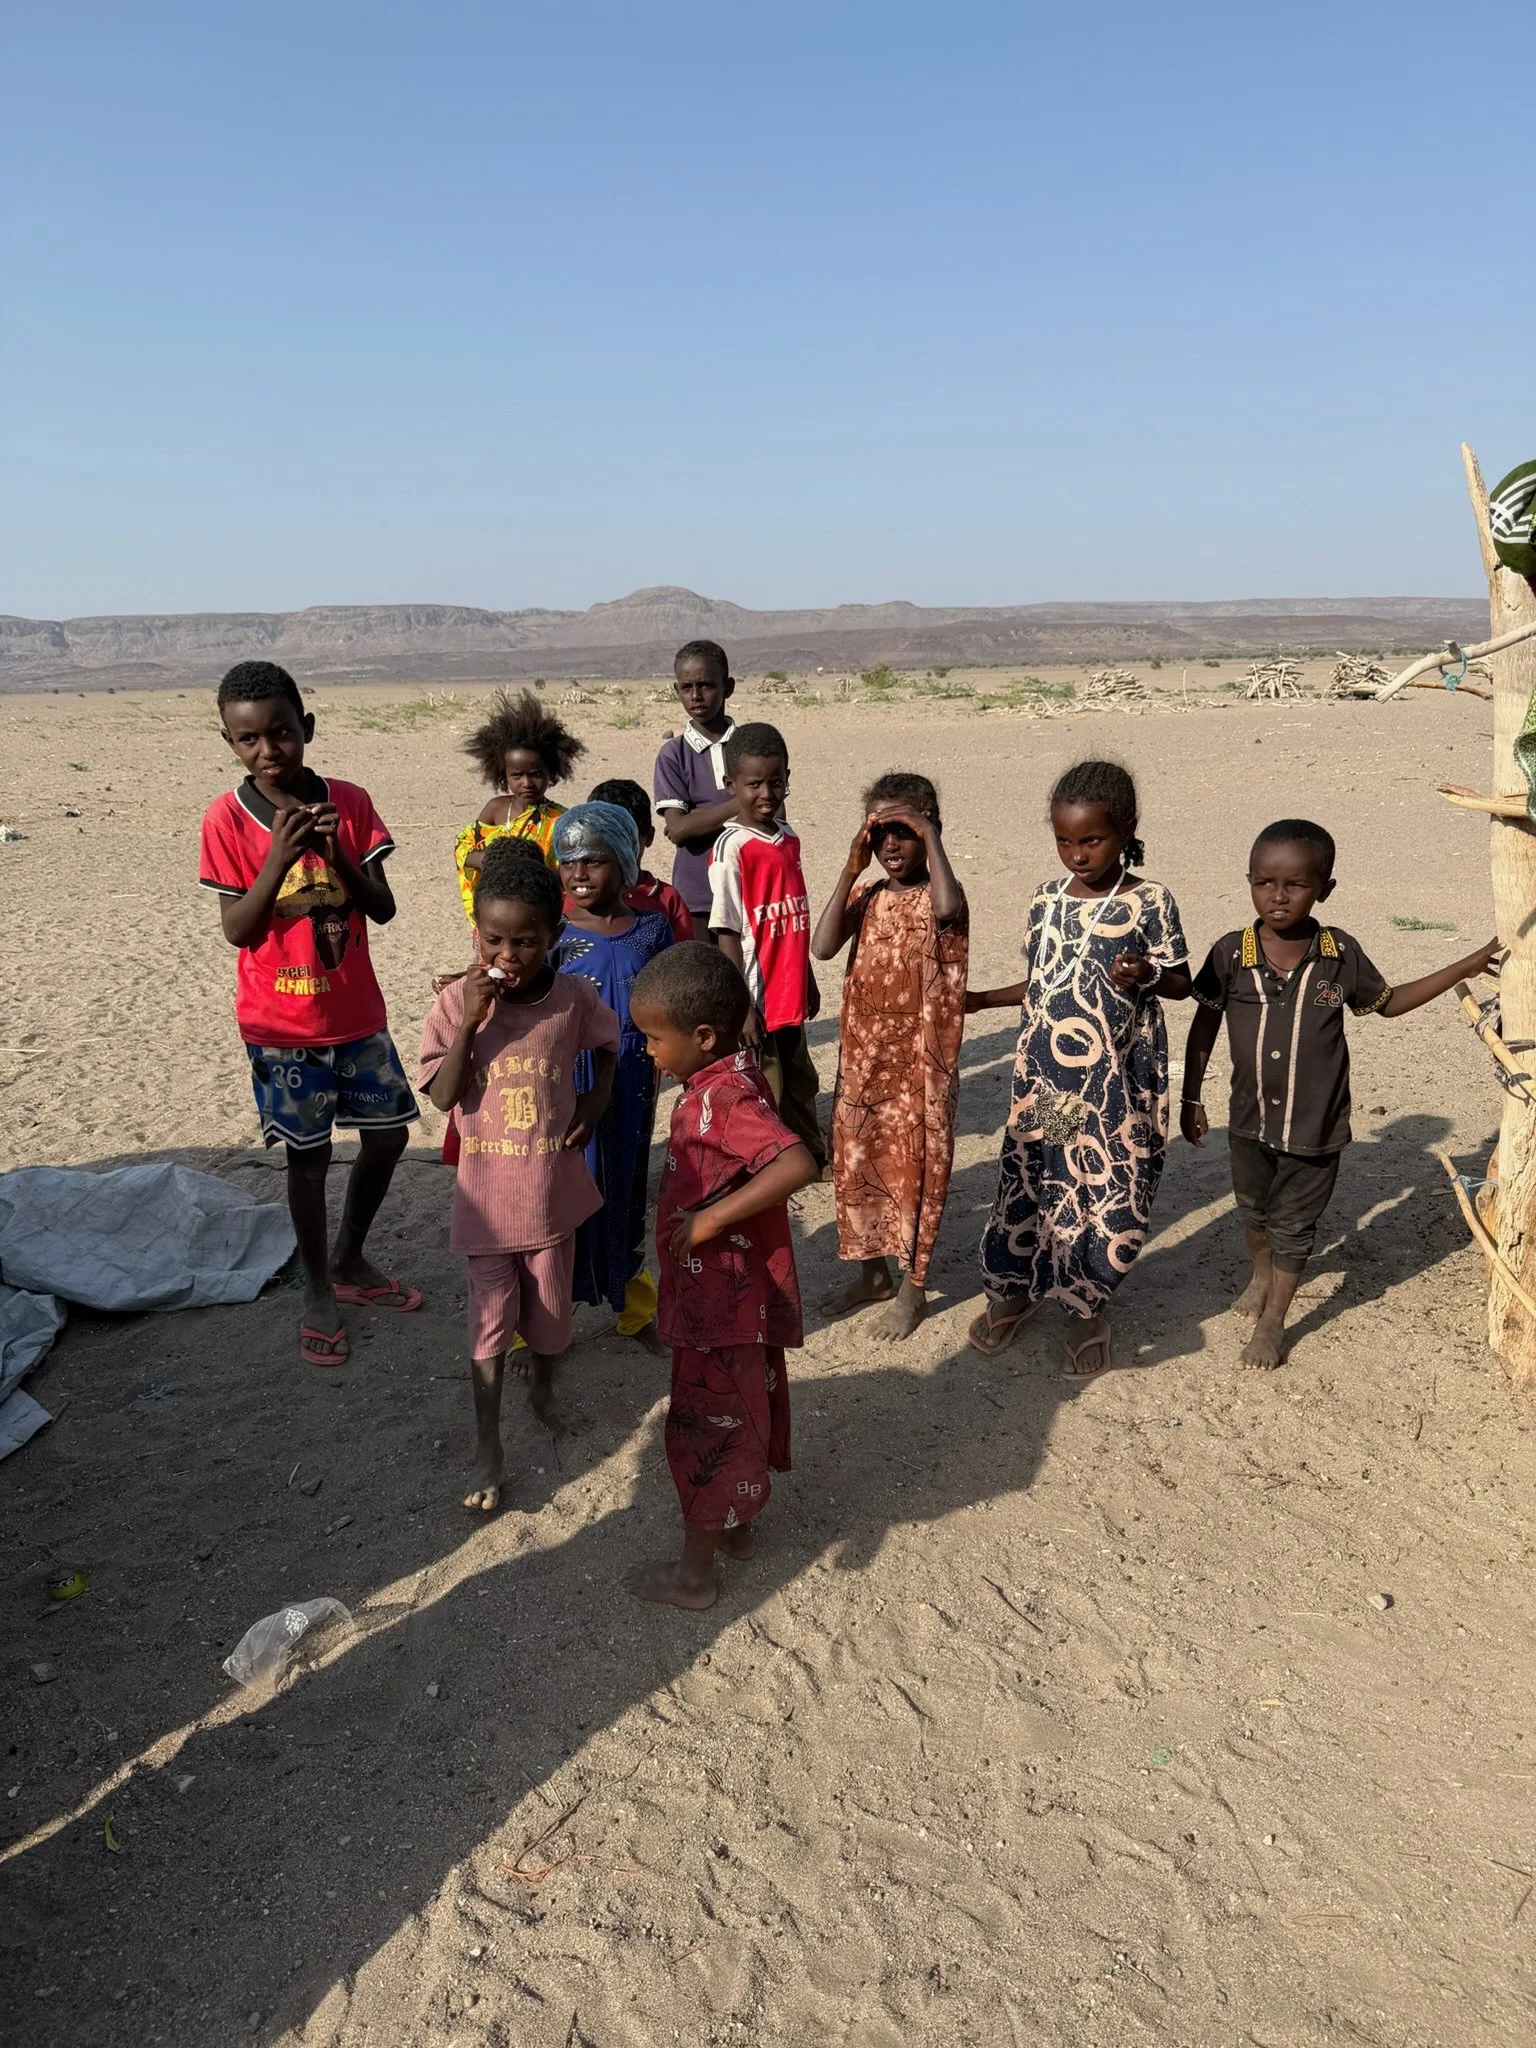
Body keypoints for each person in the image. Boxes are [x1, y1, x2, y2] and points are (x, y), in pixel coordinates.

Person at [1182, 818, 1499, 1369]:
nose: (1277, 897)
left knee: (1294, 1226)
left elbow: (1390, 1002)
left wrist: (1463, 967)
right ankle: (1260, 1277)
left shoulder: (1339, 954)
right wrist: (1190, 1097)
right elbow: (1204, 1026)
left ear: (1324, 889)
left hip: (1316, 1125)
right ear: (1249, 881)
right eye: (1263, 883)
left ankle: (1275, 1322)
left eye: (1295, 885)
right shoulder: (1230, 954)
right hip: (1248, 1120)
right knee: (1254, 1213)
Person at [199, 660, 420, 1368]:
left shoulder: (349, 804)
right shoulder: (226, 819)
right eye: (250, 739)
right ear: (231, 741)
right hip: (282, 1024)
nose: (269, 751)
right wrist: (280, 858)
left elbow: (381, 907)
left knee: (386, 1138)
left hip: (355, 1013)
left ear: (308, 729)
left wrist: (336, 853)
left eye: (283, 733)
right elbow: (238, 927)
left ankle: (351, 1255)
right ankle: (317, 1285)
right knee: (309, 1156)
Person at [966, 759, 1192, 1376]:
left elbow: (1181, 981)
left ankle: (1086, 1308)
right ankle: (1013, 1294)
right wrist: (984, 998)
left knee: (1107, 1195)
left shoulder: (1149, 901)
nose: (1077, 854)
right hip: (1053, 1081)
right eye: (1065, 841)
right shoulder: (1046, 900)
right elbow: (1043, 979)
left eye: (1091, 840)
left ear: (1126, 831)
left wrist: (1146, 973)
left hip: (1116, 1086)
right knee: (1039, 1180)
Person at [418, 837, 619, 1511]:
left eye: (525, 942)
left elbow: (612, 1047)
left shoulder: (572, 999)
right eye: (494, 941)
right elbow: (443, 1097)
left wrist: (594, 1100)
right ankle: (488, 1445)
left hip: (550, 1199)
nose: (507, 957)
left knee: (551, 1320)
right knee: (488, 1328)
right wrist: (473, 1021)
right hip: (485, 1205)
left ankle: (543, 1390)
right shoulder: (457, 1006)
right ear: (477, 934)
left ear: (554, 935)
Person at [626, 942, 818, 1608]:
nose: (647, 1050)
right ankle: (739, 1530)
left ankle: (695, 1576)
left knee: (705, 1428)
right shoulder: (728, 1073)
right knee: (740, 1412)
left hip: (720, 1305)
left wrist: (708, 1223)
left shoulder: (728, 1097)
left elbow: (796, 1163)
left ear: (703, 1036)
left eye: (654, 1038)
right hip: (731, 1301)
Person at [811, 772, 969, 1339]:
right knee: (857, 1163)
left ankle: (913, 1287)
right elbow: (824, 946)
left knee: (919, 1170)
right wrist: (852, 866)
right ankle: (872, 1273)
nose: (892, 847)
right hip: (864, 1061)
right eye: (881, 835)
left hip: (921, 1069)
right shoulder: (867, 893)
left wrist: (931, 834)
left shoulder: (941, 893)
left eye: (905, 832)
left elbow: (948, 909)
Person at [550, 800, 675, 1348]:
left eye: (594, 860)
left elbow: (673, 992)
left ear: (624, 860)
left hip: (633, 1078)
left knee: (624, 1190)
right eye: (568, 860)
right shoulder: (550, 935)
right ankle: (544, 1325)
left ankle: (634, 1311)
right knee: (563, 1193)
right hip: (568, 1081)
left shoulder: (651, 929)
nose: (579, 873)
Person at [709, 722, 826, 1170]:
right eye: (753, 784)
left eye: (775, 782)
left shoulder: (788, 835)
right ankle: (766, 1168)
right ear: (731, 785)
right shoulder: (732, 847)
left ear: (788, 780)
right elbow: (727, 932)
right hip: (757, 995)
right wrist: (741, 1006)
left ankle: (812, 1156)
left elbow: (794, 919)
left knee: (801, 1080)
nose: (766, 794)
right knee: (765, 1086)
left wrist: (808, 979)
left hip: (789, 989)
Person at [453, 687, 586, 919]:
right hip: (497, 908)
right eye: (517, 776)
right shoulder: (495, 809)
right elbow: (464, 847)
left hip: (540, 912)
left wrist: (533, 873)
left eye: (535, 774)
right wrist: (485, 860)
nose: (527, 783)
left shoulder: (561, 819)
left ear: (551, 773)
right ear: (504, 776)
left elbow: (569, 873)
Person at [652, 640, 738, 935]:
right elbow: (678, 831)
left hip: (750, 891)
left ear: (728, 687)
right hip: (697, 898)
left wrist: (699, 818)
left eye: (706, 685)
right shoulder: (673, 754)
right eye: (687, 687)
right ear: (677, 691)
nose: (696, 696)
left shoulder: (752, 747)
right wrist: (742, 804)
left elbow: (774, 817)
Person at [588, 776, 696, 941]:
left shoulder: (666, 899)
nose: (615, 849)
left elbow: (683, 958)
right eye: (605, 838)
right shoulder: (579, 896)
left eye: (625, 839)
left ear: (649, 837)